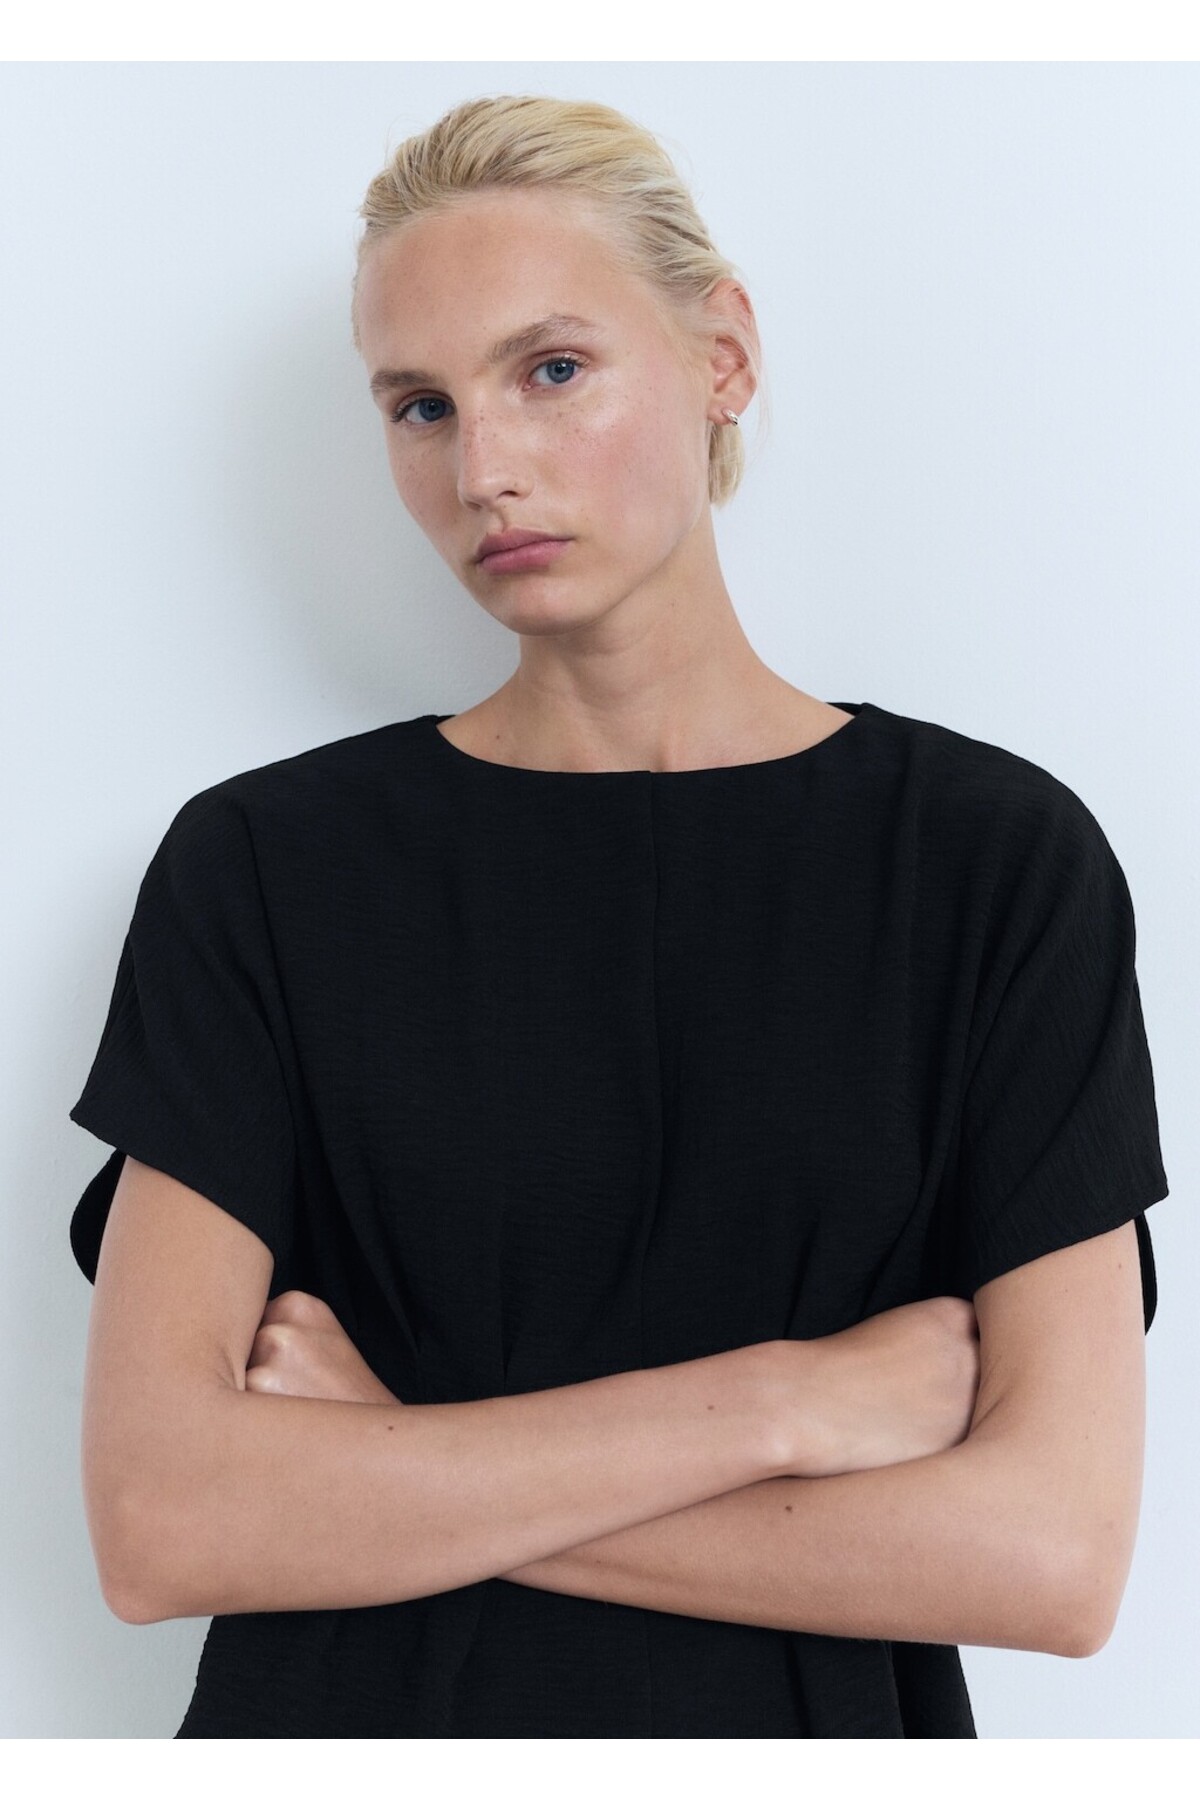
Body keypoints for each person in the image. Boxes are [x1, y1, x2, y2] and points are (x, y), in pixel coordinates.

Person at [67, 93, 1169, 1739]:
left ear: (723, 355)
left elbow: (1051, 1556)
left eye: (552, 370)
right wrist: (783, 1404)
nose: (484, 469)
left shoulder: (995, 866)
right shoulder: (265, 872)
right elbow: (163, 1523)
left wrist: (382, 1458)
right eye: (420, 406)